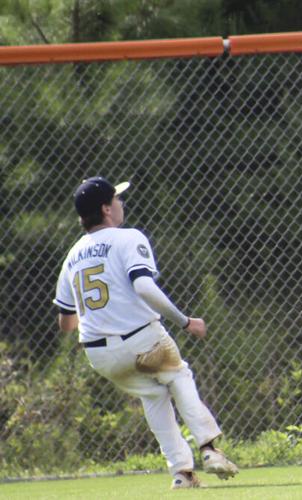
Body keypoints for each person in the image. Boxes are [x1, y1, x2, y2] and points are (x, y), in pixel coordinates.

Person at [53, 177, 239, 489]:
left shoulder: (72, 255)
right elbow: (143, 286)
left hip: (99, 354)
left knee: (154, 396)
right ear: (105, 209)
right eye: (116, 199)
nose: (120, 204)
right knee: (178, 376)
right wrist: (184, 321)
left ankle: (182, 474)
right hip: (140, 338)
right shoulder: (127, 238)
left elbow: (67, 324)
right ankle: (208, 449)